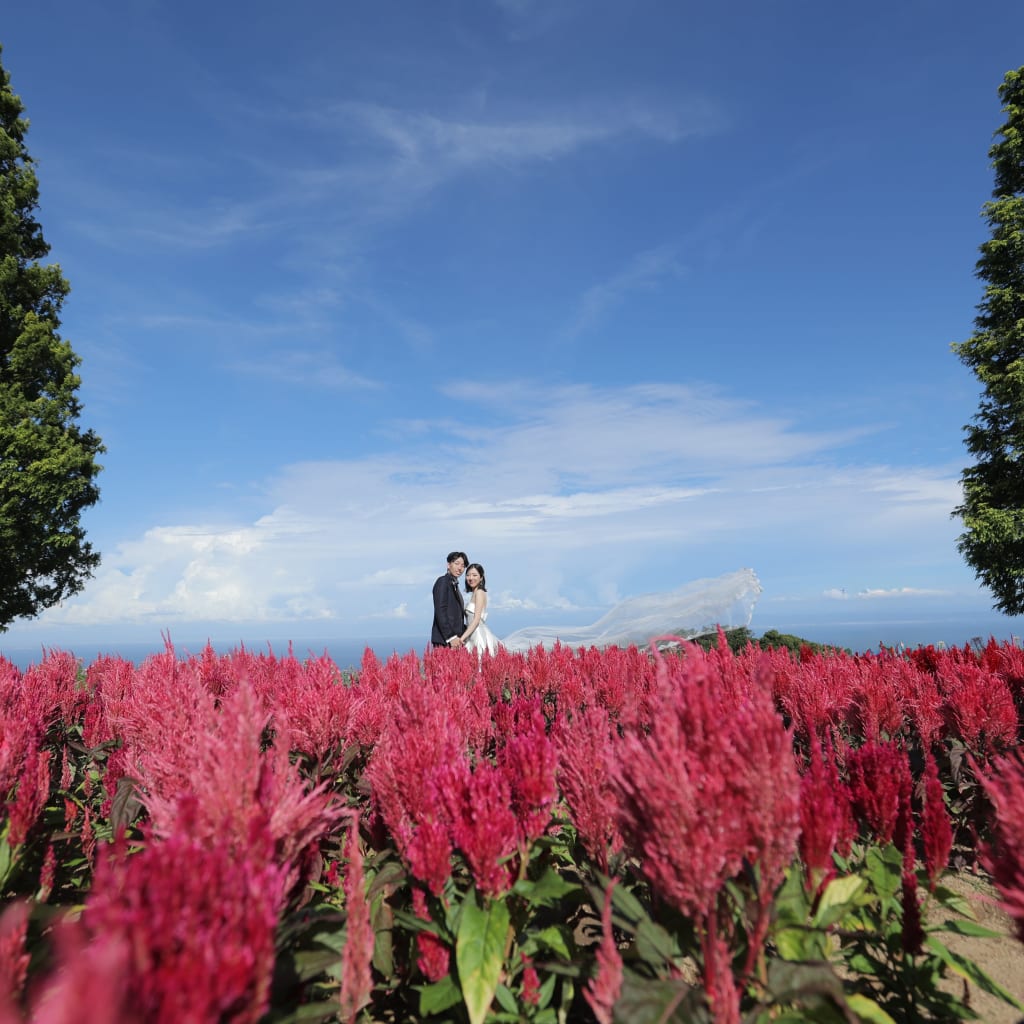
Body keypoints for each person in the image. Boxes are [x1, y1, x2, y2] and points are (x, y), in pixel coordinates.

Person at [458, 563, 502, 657]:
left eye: (474, 575)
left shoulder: (479, 592)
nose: (471, 578)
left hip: (477, 635)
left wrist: (462, 638)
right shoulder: (475, 593)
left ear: (481, 577)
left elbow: (476, 619)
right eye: (468, 575)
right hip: (472, 634)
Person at [431, 551, 468, 648]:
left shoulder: (454, 585)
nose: (460, 568)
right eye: (456, 564)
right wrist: (451, 637)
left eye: (463, 565)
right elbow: (440, 611)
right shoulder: (443, 581)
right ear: (448, 565)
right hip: (445, 640)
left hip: (456, 640)